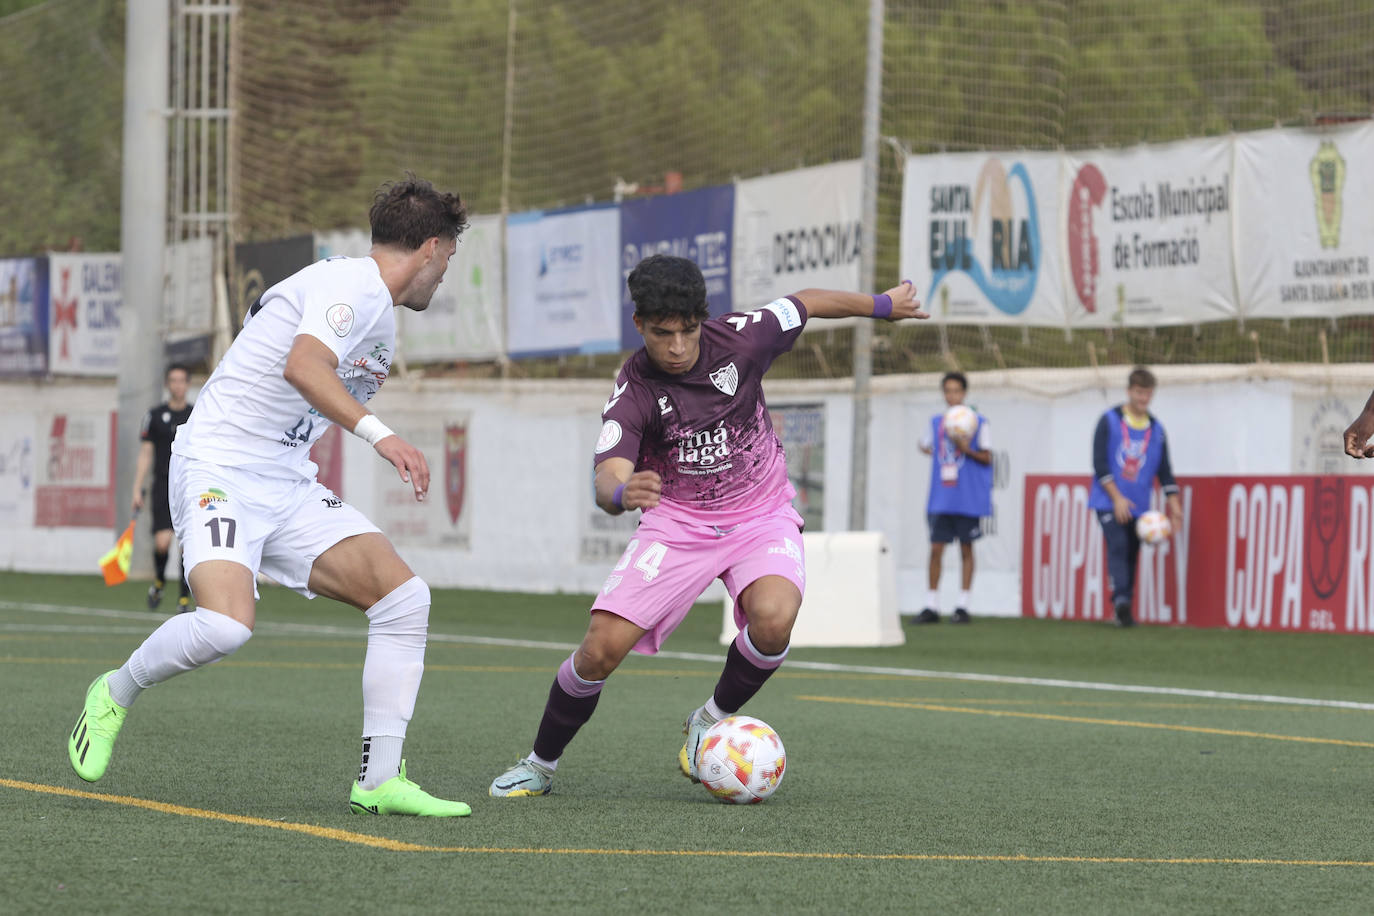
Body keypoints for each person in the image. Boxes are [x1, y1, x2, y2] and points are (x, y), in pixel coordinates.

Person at [67, 174, 472, 817]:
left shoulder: (372, 312)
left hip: (284, 480)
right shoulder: (354, 287)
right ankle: (115, 690)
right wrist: (383, 437)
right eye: (448, 257)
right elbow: (303, 368)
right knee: (226, 627)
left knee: (403, 599)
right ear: (429, 247)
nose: (446, 272)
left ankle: (379, 780)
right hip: (219, 467)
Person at [489, 255, 927, 798]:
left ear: (704, 319)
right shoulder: (635, 392)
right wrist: (623, 493)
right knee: (601, 648)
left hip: (761, 513)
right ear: (639, 326)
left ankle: (708, 718)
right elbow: (607, 477)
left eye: (687, 331)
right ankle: (540, 764)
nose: (676, 346)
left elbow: (807, 301)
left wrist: (883, 306)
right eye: (661, 333)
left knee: (774, 621)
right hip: (679, 525)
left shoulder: (744, 339)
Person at [1088, 366, 1183, 628]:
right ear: (1129, 391)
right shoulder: (1108, 420)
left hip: (1139, 504)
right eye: (1139, 393)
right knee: (1117, 545)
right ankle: (1121, 602)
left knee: (1132, 552)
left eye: (1148, 394)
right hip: (1109, 500)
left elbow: (1165, 470)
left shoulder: (1157, 429)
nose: (1143, 399)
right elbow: (1100, 463)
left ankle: (1124, 606)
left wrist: (1174, 505)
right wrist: (1117, 498)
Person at [909, 371, 992, 624]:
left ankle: (962, 605)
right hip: (941, 497)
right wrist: (938, 449)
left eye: (956, 390)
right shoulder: (937, 422)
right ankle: (931, 605)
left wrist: (968, 449)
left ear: (964, 393)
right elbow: (923, 445)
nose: (952, 395)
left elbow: (988, 456)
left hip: (967, 498)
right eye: (948, 391)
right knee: (936, 549)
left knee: (966, 547)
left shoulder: (978, 421)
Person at [132, 363, 195, 611]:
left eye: (182, 380)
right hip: (162, 486)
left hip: (188, 487)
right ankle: (158, 583)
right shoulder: (154, 415)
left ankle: (183, 599)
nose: (177, 385)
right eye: (173, 380)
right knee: (161, 543)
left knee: (186, 547)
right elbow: (145, 453)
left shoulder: (197, 414)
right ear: (168, 384)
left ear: (188, 384)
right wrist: (137, 488)